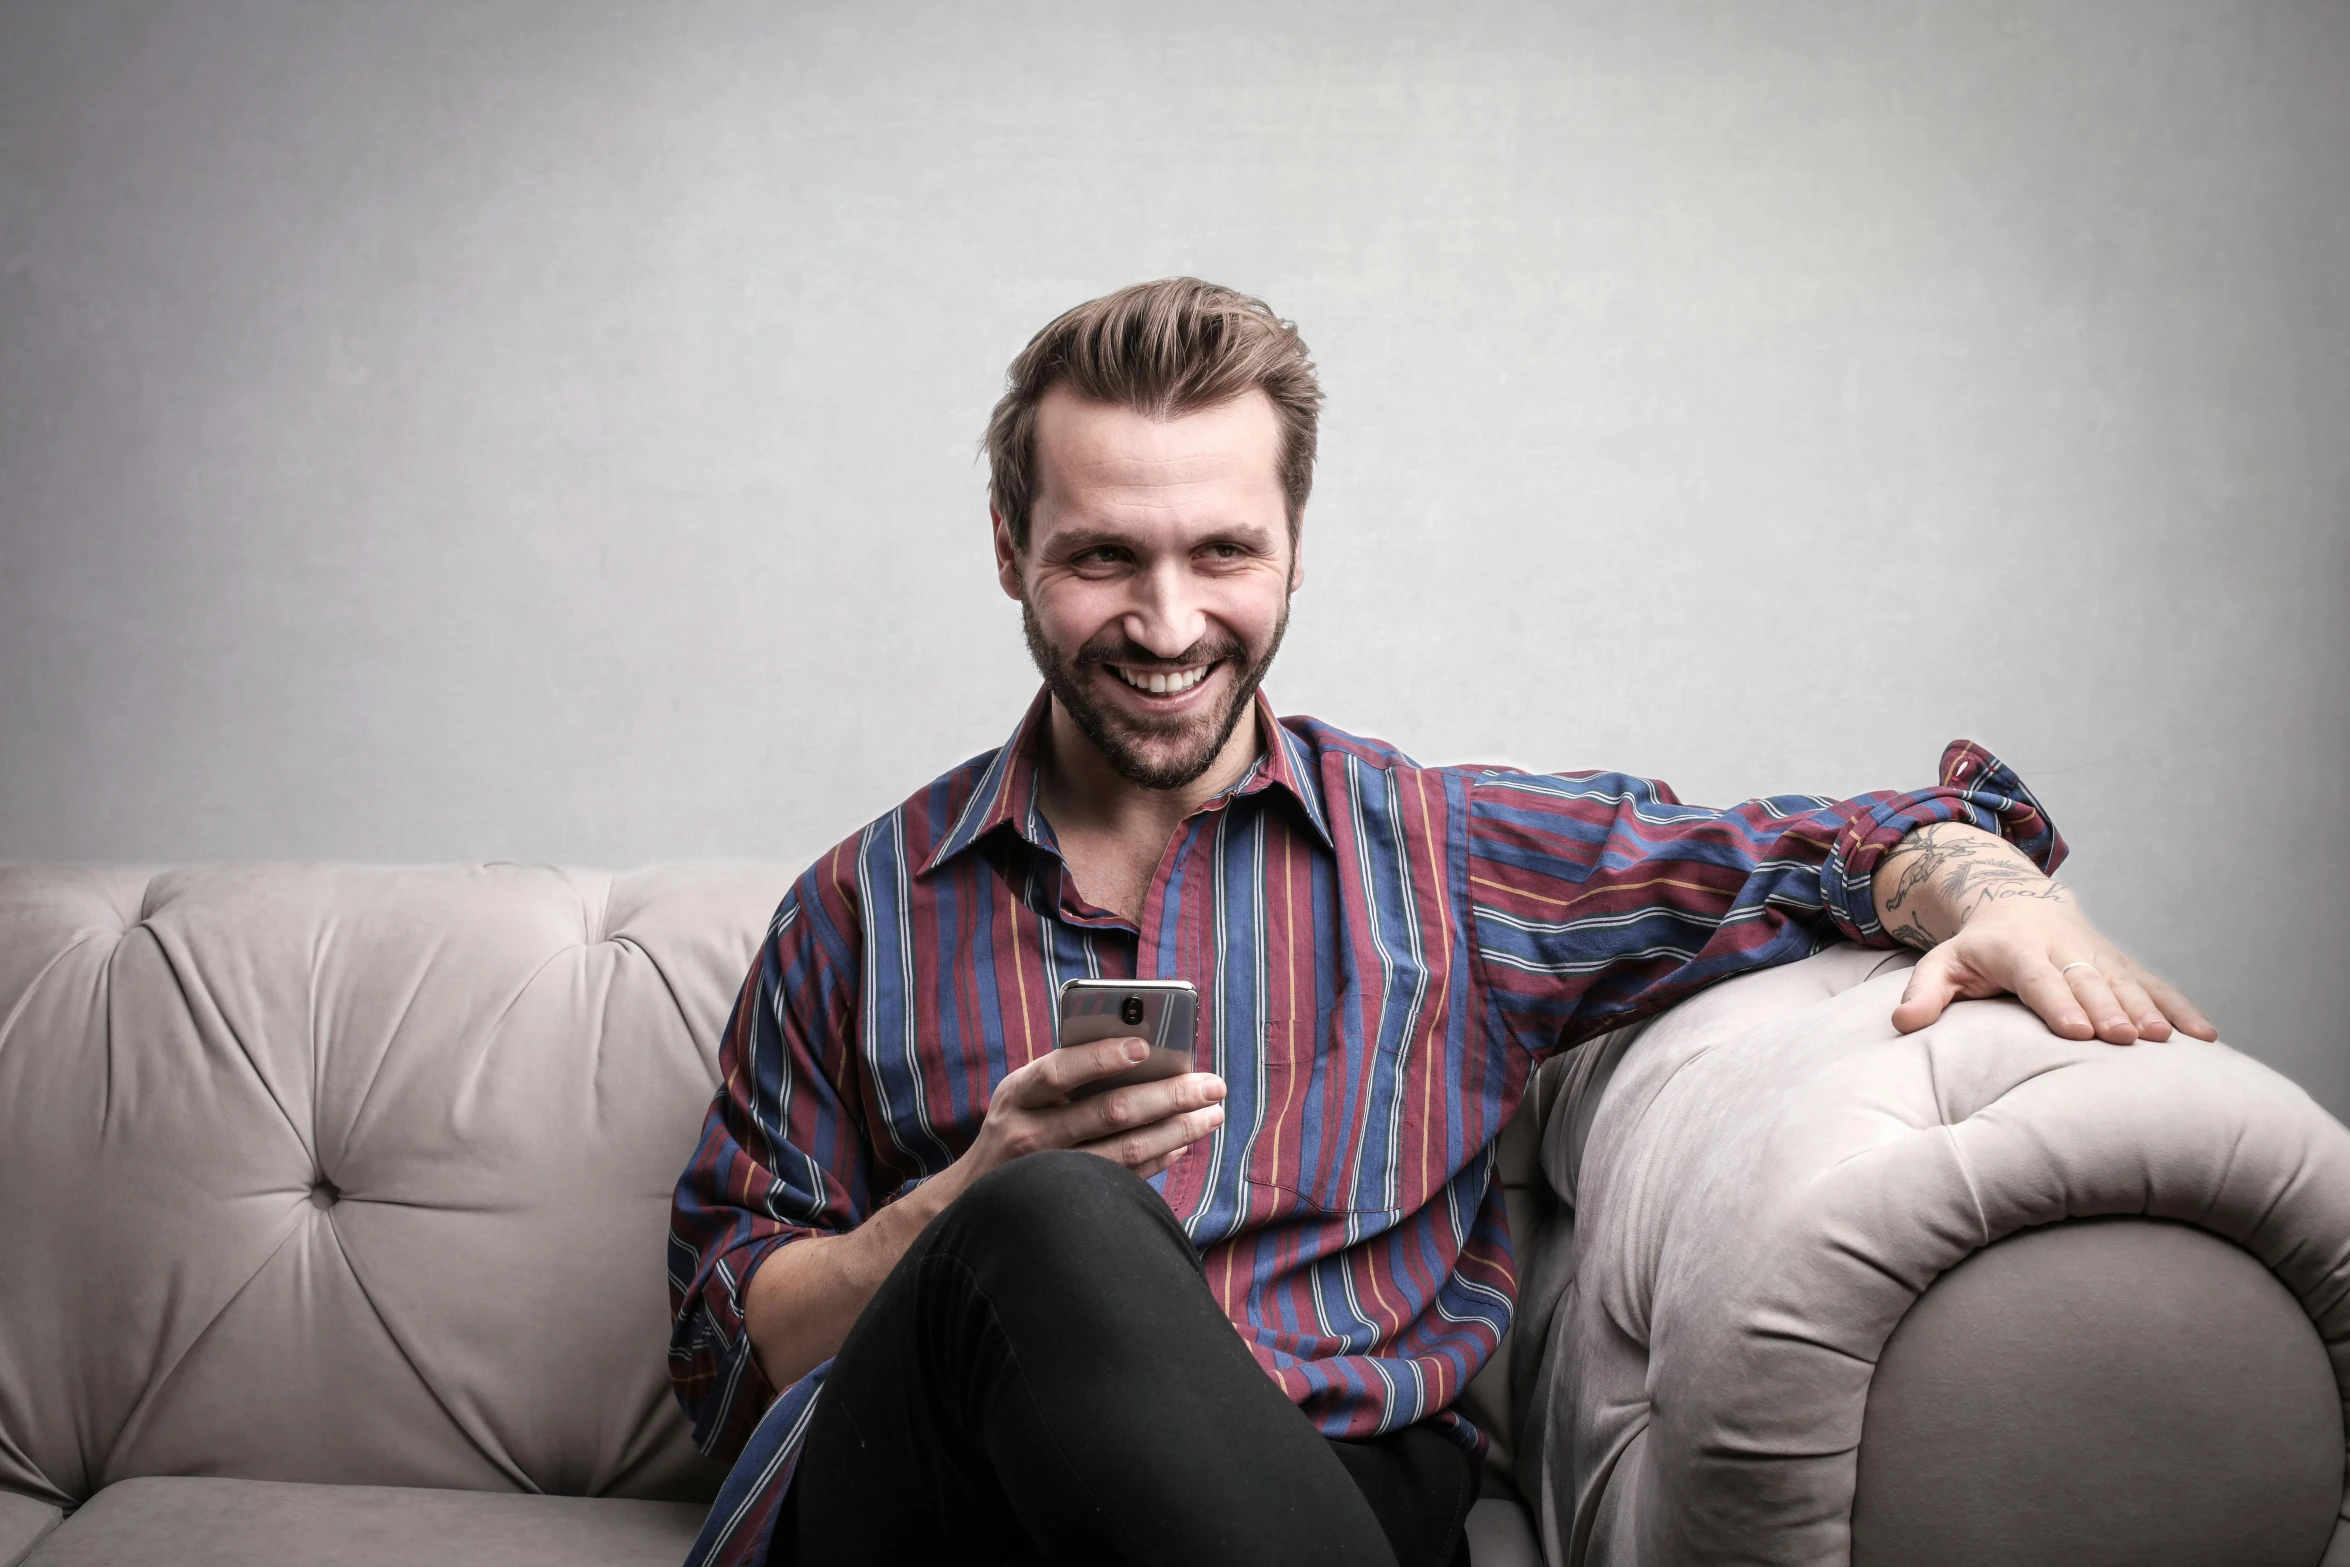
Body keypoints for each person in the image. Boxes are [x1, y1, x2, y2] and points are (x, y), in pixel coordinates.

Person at [666, 279, 2212, 1567]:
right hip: (942, 1509)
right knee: (1051, 1216)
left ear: (1290, 550)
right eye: (1099, 557)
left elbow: (1824, 846)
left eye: (1221, 551)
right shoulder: (859, 908)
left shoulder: (1441, 857)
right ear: (1011, 550)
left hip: (1323, 1487)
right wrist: (973, 1196)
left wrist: (1996, 896)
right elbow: (728, 1347)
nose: (1166, 619)